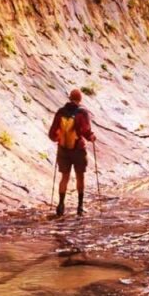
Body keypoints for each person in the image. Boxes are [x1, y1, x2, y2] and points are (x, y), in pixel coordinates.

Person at [46, 89, 96, 217]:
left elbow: (52, 134)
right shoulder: (82, 113)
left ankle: (61, 205)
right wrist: (91, 137)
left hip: (63, 149)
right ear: (80, 99)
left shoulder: (60, 112)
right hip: (78, 149)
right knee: (80, 176)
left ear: (69, 98)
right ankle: (80, 207)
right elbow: (86, 131)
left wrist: (60, 139)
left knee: (65, 177)